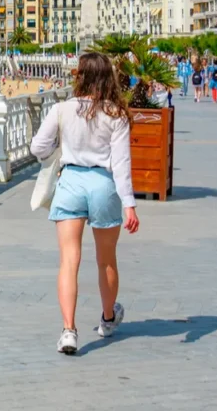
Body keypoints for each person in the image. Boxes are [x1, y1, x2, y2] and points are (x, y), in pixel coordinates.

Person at [31, 52, 139, 356]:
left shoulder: (62, 109)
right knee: (106, 259)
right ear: (108, 78)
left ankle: (68, 331)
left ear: (81, 76)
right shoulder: (116, 114)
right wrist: (129, 205)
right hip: (103, 184)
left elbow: (37, 147)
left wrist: (59, 147)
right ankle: (107, 319)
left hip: (72, 182)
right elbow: (121, 165)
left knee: (69, 260)